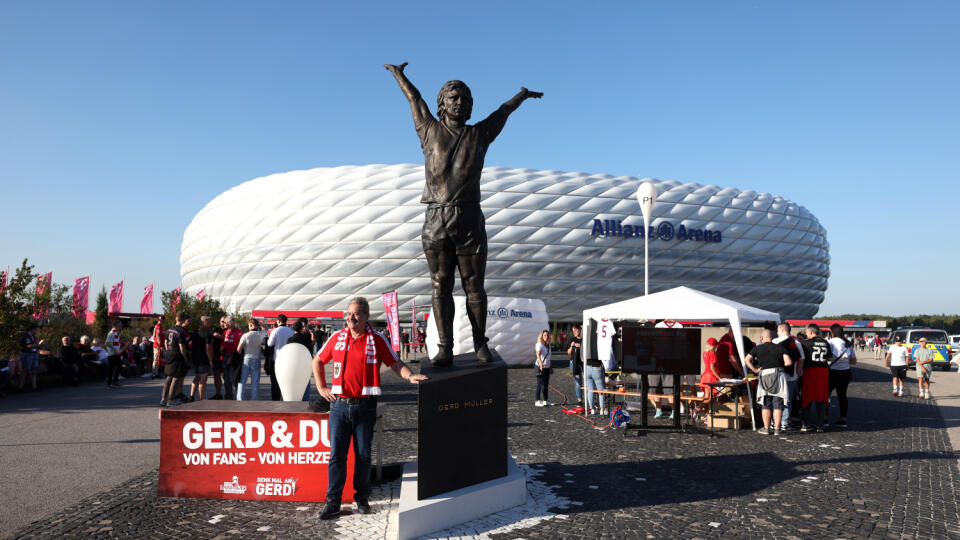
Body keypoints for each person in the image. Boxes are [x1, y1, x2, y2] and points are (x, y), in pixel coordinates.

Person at [385, 61, 542, 366]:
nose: (460, 102)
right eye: (453, 97)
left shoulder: (479, 134)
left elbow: (502, 112)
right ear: (441, 104)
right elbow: (414, 99)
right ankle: (445, 346)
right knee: (439, 284)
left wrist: (520, 96)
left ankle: (481, 342)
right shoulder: (428, 130)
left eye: (466, 99)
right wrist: (399, 74)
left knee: (474, 285)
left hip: (469, 218)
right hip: (436, 217)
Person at [313, 297, 427, 520]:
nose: (350, 318)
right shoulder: (336, 338)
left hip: (365, 406)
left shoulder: (377, 340)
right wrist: (321, 387)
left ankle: (362, 498)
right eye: (348, 313)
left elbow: (395, 363)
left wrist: (410, 376)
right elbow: (317, 360)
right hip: (338, 406)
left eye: (355, 314)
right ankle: (333, 501)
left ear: (366, 316)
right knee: (336, 455)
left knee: (363, 455)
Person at [744, 329, 793, 436]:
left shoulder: (757, 348)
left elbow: (746, 359)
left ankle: (766, 429)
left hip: (764, 375)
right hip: (778, 375)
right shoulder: (780, 347)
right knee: (778, 404)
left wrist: (755, 370)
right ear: (772, 338)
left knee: (766, 403)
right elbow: (788, 362)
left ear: (762, 337)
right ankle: (777, 429)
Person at [801, 323, 833, 432]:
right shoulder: (825, 342)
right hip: (823, 372)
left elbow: (802, 359)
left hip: (810, 371)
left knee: (807, 397)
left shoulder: (805, 343)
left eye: (806, 333)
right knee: (822, 398)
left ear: (810, 332)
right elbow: (829, 358)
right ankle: (820, 425)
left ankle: (806, 423)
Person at [773, 322, 805, 431]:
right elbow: (801, 359)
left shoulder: (774, 342)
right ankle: (785, 422)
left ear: (782, 330)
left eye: (778, 331)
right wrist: (799, 370)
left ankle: (775, 422)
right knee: (788, 400)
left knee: (776, 399)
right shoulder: (796, 342)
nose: (777, 333)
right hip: (792, 376)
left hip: (777, 375)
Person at [827, 323, 856, 427]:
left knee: (826, 395)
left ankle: (825, 418)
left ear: (832, 332)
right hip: (845, 372)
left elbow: (828, 358)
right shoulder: (847, 343)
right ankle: (843, 418)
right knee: (842, 396)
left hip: (832, 372)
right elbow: (854, 361)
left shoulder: (829, 342)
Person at [161, 312, 191, 407]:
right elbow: (181, 346)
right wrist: (185, 358)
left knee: (168, 378)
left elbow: (165, 342)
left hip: (169, 354)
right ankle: (171, 400)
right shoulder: (181, 331)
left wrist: (167, 351)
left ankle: (163, 399)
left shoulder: (169, 330)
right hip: (177, 355)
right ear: (182, 320)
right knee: (176, 378)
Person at [237, 319, 266, 400]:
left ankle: (240, 399)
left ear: (249, 325)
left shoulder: (245, 335)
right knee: (255, 382)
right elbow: (265, 329)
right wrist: (260, 324)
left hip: (246, 359)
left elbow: (238, 349)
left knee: (242, 381)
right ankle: (254, 399)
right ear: (256, 326)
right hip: (256, 359)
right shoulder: (260, 334)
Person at [189, 316, 216, 401]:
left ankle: (192, 396)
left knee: (197, 377)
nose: (210, 323)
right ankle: (201, 399)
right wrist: (211, 360)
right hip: (204, 359)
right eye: (209, 322)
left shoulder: (195, 332)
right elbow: (208, 348)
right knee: (203, 380)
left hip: (195, 359)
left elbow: (189, 344)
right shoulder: (208, 334)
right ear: (204, 322)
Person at [220, 316, 243, 400]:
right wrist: (222, 348)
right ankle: (228, 396)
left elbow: (242, 346)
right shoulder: (225, 332)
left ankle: (239, 395)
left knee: (233, 378)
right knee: (226, 378)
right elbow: (223, 342)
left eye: (226, 322)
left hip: (234, 357)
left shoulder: (239, 332)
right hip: (225, 357)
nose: (224, 324)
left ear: (231, 323)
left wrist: (233, 356)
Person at [19, 324, 41, 392]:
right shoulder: (26, 335)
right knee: (25, 370)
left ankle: (34, 387)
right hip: (27, 354)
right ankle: (20, 387)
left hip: (34, 354)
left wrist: (38, 346)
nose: (37, 331)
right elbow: (28, 346)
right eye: (36, 329)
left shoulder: (33, 336)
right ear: (32, 329)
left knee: (34, 370)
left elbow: (35, 345)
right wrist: (37, 344)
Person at [534, 330, 553, 407]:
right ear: (542, 336)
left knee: (546, 385)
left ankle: (545, 400)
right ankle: (537, 401)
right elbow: (538, 355)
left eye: (547, 335)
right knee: (540, 383)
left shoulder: (548, 345)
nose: (546, 337)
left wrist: (551, 367)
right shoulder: (539, 344)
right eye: (545, 335)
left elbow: (548, 357)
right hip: (539, 367)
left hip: (547, 367)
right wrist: (541, 364)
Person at [567, 325, 584, 407]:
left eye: (576, 330)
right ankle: (579, 400)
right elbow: (568, 352)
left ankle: (592, 400)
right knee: (578, 382)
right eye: (573, 330)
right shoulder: (572, 339)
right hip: (574, 362)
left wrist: (580, 346)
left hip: (582, 362)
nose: (575, 332)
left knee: (587, 380)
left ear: (580, 330)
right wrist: (571, 346)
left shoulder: (583, 340)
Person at [105, 323, 122, 388]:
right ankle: (110, 383)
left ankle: (114, 381)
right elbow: (107, 343)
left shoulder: (116, 333)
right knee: (111, 369)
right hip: (112, 354)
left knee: (119, 366)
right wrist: (114, 350)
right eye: (119, 326)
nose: (121, 327)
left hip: (116, 353)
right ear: (115, 326)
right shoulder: (111, 333)